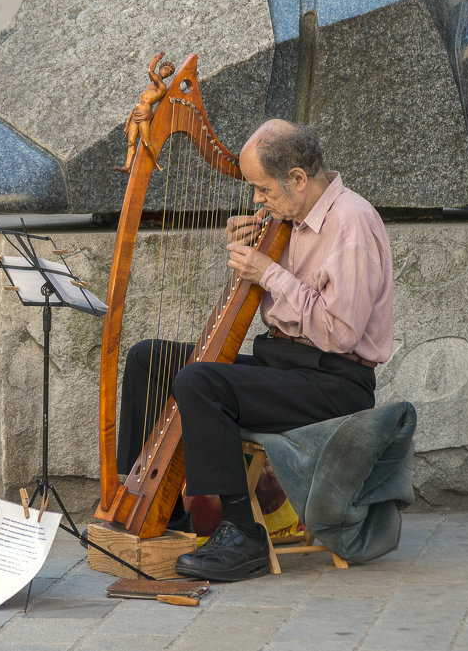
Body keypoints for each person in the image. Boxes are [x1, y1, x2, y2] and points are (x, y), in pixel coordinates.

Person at [117, 118, 394, 582]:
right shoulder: (289, 218)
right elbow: (271, 305)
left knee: (200, 381)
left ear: (298, 179)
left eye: (262, 189)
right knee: (150, 358)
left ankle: (241, 534)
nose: (256, 200)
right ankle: (149, 508)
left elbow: (340, 333)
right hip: (285, 367)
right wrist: (248, 250)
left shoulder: (351, 223)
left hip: (334, 382)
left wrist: (267, 272)